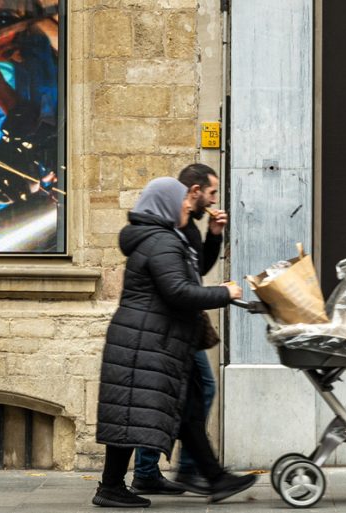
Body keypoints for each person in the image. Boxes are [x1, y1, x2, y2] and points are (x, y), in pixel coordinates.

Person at [93, 177, 257, 508]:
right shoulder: (162, 242)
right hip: (148, 340)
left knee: (166, 411)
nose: (188, 206)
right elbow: (178, 291)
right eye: (182, 201)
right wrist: (224, 293)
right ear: (167, 204)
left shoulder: (161, 239)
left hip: (153, 338)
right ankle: (112, 487)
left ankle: (212, 477)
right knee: (134, 413)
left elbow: (186, 279)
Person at [131, 163, 227, 497]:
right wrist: (224, 293)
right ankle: (187, 469)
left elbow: (197, 269)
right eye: (212, 192)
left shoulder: (189, 228)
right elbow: (179, 285)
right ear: (195, 190)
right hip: (169, 328)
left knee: (181, 396)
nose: (214, 199)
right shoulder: (172, 227)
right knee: (180, 397)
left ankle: (158, 470)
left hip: (181, 326)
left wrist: (214, 237)